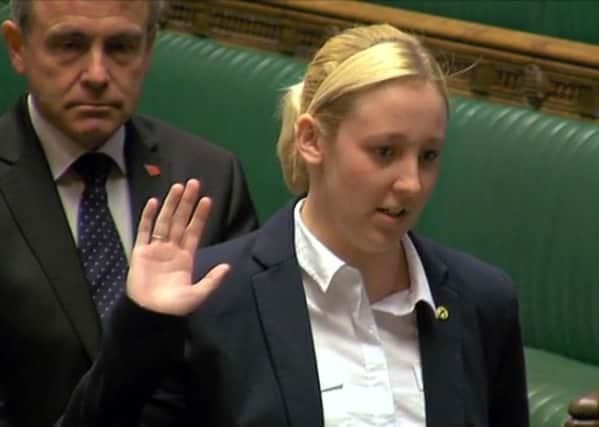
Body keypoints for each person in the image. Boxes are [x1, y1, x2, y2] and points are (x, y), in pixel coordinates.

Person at [59, 24, 529, 426]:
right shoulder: (210, 298)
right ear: (311, 140)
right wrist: (142, 328)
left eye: (428, 156)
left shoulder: (481, 301)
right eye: (384, 152)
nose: (410, 183)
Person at [0, 0, 258, 425]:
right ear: (17, 47)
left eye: (121, 46)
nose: (98, 75)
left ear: (149, 48)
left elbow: (240, 374)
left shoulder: (210, 178)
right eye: (70, 44)